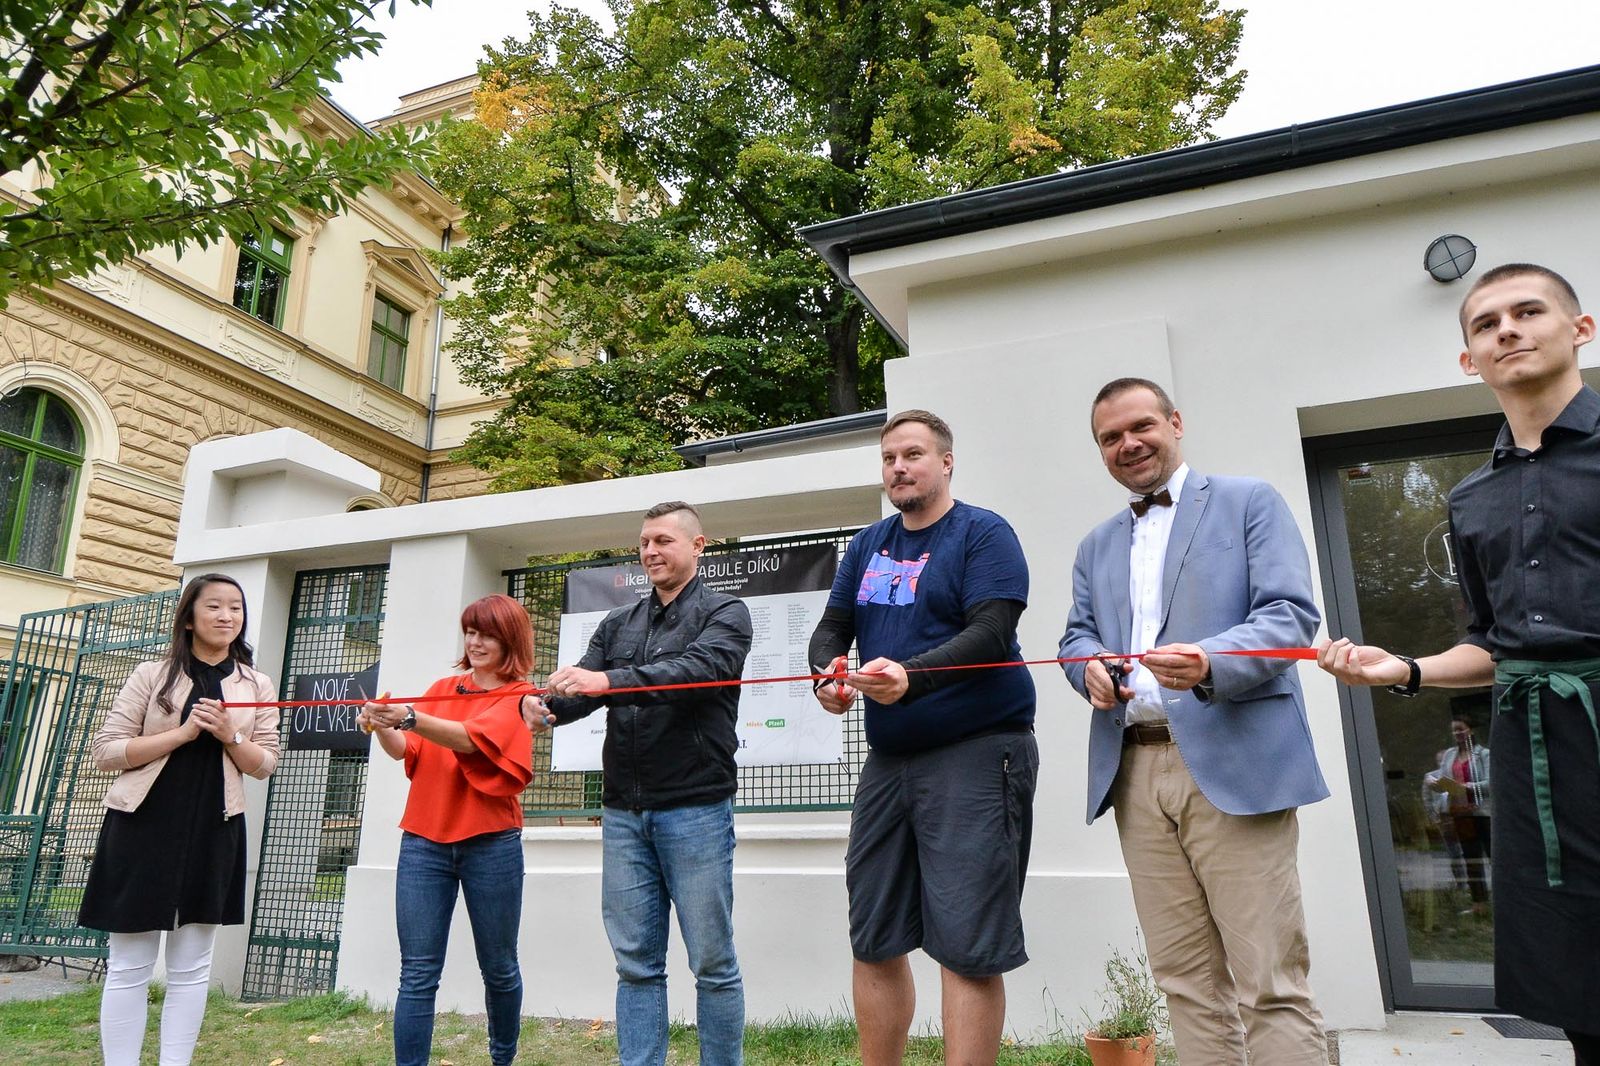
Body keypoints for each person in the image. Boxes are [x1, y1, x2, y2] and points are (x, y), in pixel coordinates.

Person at [1319, 262, 1600, 1064]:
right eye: (1485, 324)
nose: (1507, 329)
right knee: (1574, 977)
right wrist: (1402, 669)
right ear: (1468, 361)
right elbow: (1494, 643)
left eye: (1527, 312)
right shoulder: (1471, 497)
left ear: (1579, 329)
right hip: (1535, 746)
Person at [1059, 378, 1330, 1066]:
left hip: (1235, 758)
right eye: (1110, 437)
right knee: (1184, 983)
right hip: (1134, 771)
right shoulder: (1094, 545)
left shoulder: (1249, 502)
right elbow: (1077, 636)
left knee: (1270, 983)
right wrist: (1086, 665)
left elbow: (1289, 617)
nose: (1128, 444)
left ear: (1175, 423)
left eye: (1140, 426)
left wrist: (1210, 660)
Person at [807, 409, 1038, 1066]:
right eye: (888, 459)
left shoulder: (984, 534)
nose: (898, 468)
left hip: (978, 749)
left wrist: (910, 676)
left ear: (946, 461)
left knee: (967, 942)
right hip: (889, 760)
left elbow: (991, 633)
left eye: (912, 454)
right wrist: (827, 675)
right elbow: (833, 627)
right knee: (874, 934)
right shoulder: (869, 544)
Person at [529, 501, 753, 1066]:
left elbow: (698, 674)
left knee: (713, 962)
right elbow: (581, 694)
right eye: (644, 543)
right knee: (635, 964)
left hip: (696, 810)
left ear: (698, 547)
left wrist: (603, 680)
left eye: (663, 541)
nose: (650, 551)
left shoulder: (726, 613)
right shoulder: (617, 623)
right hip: (624, 815)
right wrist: (547, 706)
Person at [80, 574, 280, 1066]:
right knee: (129, 965)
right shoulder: (152, 674)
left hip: (215, 829)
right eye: (214, 606)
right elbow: (105, 752)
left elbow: (266, 764)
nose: (227, 616)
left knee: (192, 967)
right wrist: (184, 733)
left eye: (235, 607)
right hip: (142, 828)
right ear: (189, 616)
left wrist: (232, 735)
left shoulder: (255, 684)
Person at [359, 593, 541, 1066]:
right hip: (423, 844)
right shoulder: (443, 686)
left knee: (499, 969)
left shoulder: (519, 696)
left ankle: (503, 1059)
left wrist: (411, 716)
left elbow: (470, 739)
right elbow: (405, 750)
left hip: (492, 846)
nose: (476, 641)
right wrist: (381, 723)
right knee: (417, 974)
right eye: (471, 631)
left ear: (511, 640)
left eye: (489, 634)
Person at [1424, 718, 1492, 913]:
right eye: (1454, 730)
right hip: (1460, 814)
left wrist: (1466, 787)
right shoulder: (1449, 756)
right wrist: (1434, 783)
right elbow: (1443, 784)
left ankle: (1509, 899)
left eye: (1461, 729)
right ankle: (1479, 904)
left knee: (1493, 855)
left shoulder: (1484, 754)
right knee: (1471, 859)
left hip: (1483, 814)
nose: (1458, 734)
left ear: (1470, 730)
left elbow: (1491, 784)